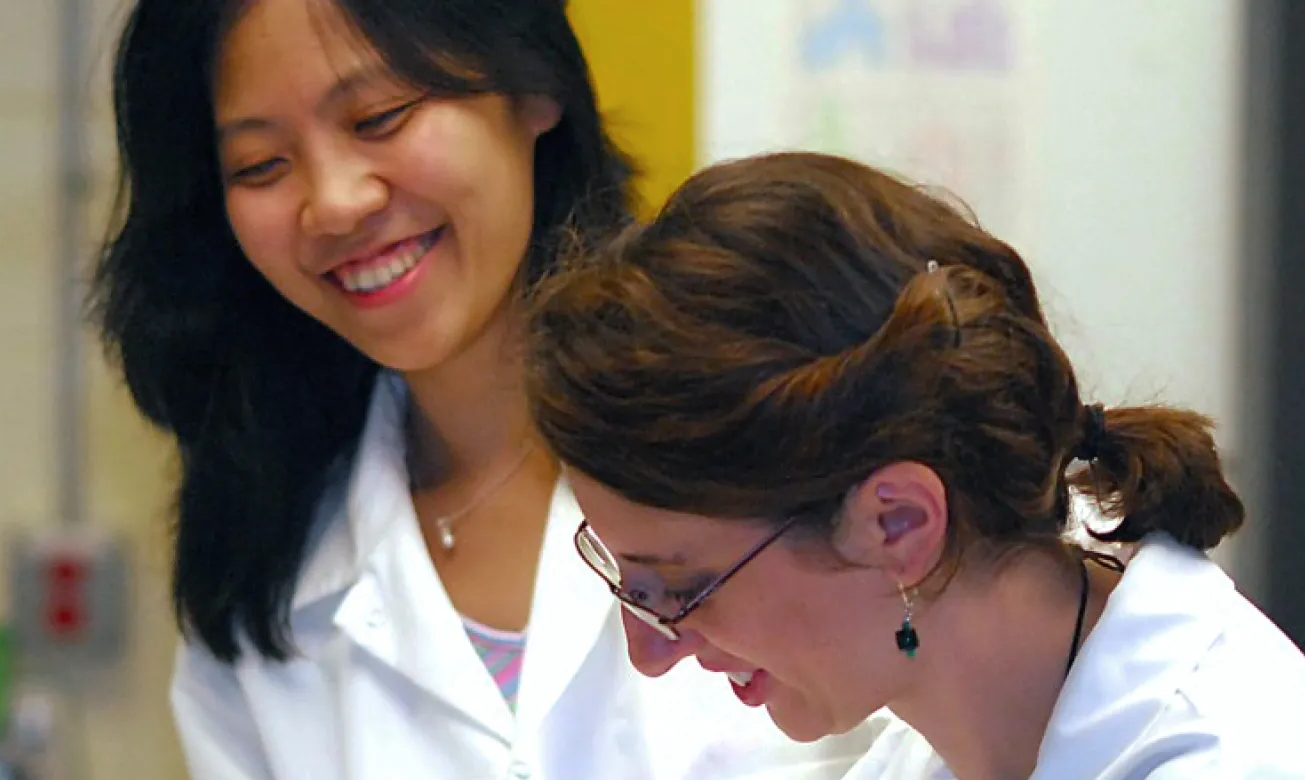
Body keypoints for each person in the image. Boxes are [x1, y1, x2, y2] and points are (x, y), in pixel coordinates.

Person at [92, 2, 932, 778]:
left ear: (532, 84)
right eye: (260, 164)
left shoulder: (803, 402)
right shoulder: (260, 574)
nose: (335, 204)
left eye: (379, 117)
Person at [523, 151, 1305, 779]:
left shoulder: (1251, 763)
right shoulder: (943, 743)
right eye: (625, 580)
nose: (650, 652)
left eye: (679, 587)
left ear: (899, 523)